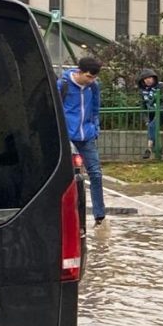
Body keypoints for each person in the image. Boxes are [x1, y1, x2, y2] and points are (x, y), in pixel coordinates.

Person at [58, 57, 106, 228]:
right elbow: (55, 108)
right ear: (79, 72)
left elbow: (95, 109)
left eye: (94, 78)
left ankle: (100, 217)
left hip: (87, 136)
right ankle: (66, 215)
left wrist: (95, 128)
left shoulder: (93, 87)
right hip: (67, 136)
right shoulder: (62, 85)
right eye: (88, 76)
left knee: (96, 173)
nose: (91, 80)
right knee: (67, 176)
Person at [137, 68, 163, 160]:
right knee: (151, 126)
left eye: (150, 78)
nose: (148, 80)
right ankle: (156, 150)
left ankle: (149, 149)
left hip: (162, 113)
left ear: (154, 78)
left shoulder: (161, 86)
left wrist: (159, 112)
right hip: (150, 114)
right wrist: (146, 120)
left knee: (151, 126)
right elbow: (142, 106)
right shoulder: (142, 91)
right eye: (145, 79)